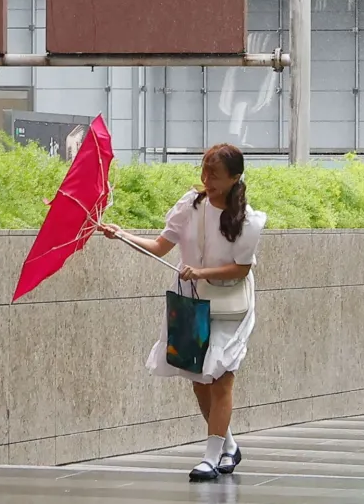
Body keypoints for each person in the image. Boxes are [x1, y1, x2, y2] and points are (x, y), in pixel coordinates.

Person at [101, 143, 266, 482]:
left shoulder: (248, 222)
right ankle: (228, 445)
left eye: (215, 175)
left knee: (221, 377)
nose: (207, 179)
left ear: (235, 178)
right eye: (204, 171)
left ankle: (209, 456)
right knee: (198, 379)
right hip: (191, 301)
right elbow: (161, 246)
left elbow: (240, 269)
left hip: (230, 308)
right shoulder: (189, 206)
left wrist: (201, 272)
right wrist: (122, 236)